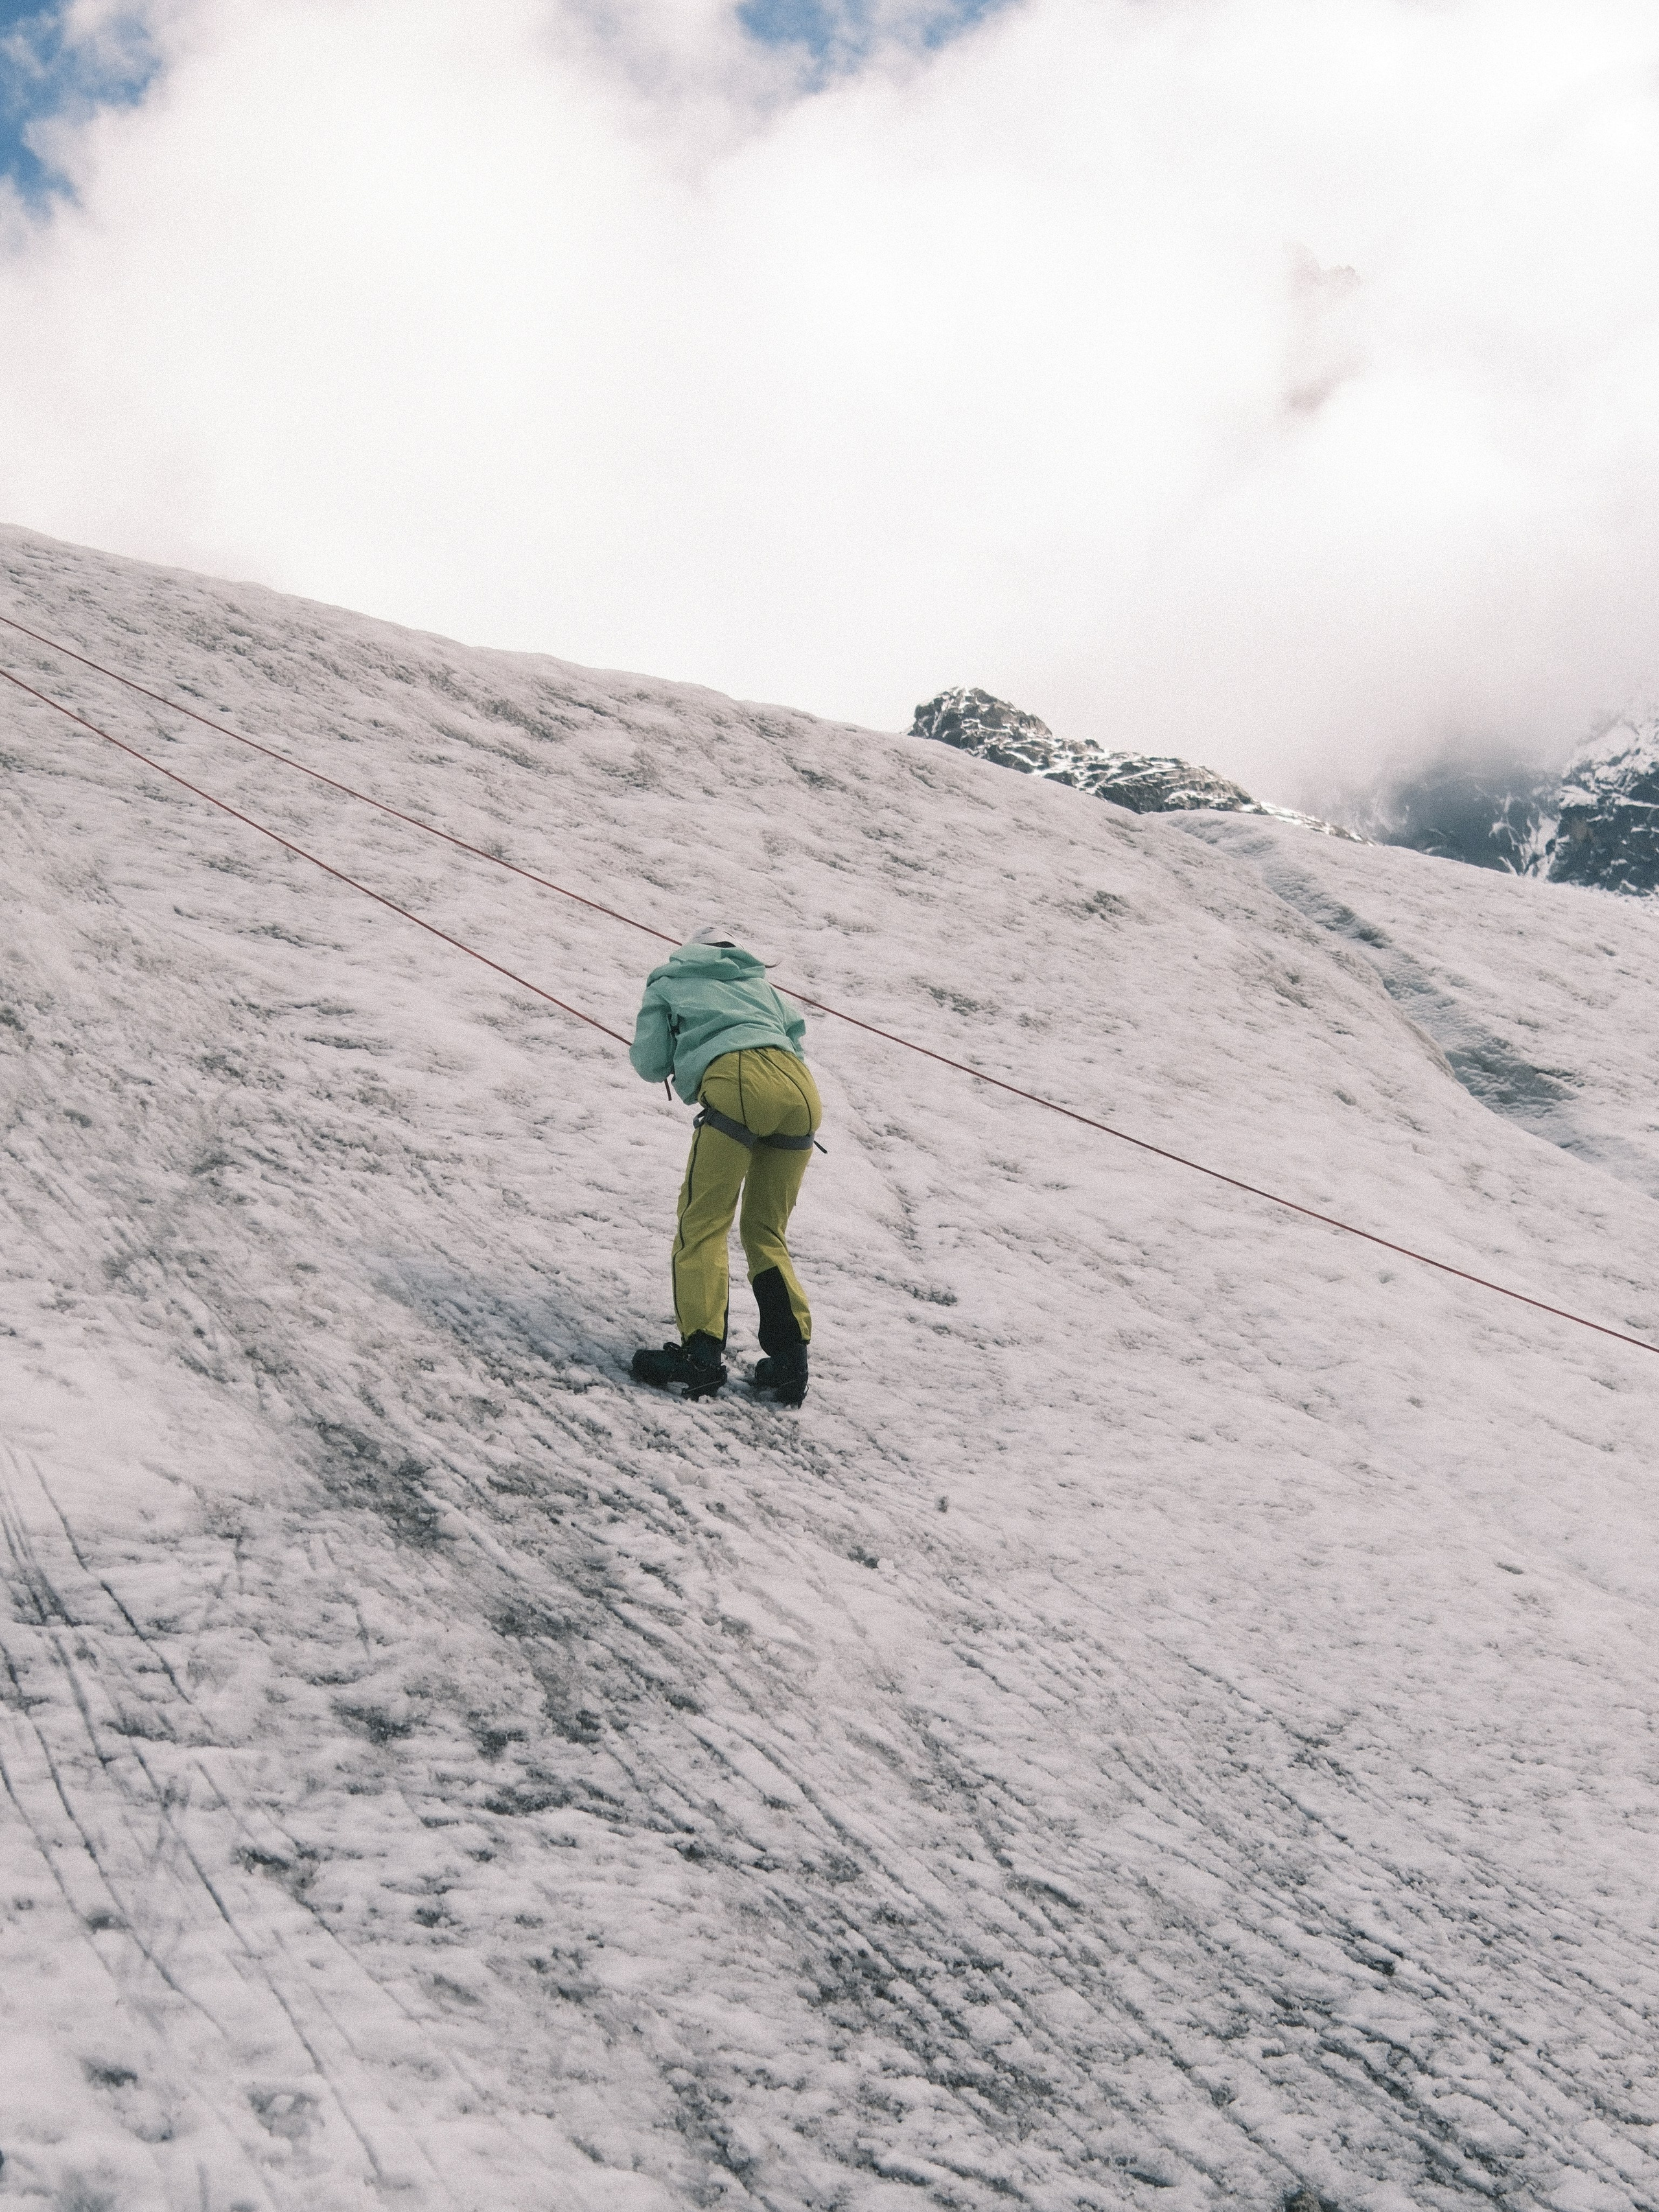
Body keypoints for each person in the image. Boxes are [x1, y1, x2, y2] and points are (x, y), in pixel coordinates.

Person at [628, 924, 821, 1404]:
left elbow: (650, 1062)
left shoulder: (669, 979)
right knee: (765, 1230)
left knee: (704, 1221)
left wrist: (684, 1051)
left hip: (738, 1085)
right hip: (800, 1093)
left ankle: (700, 1357)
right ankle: (789, 1362)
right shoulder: (763, 986)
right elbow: (794, 1037)